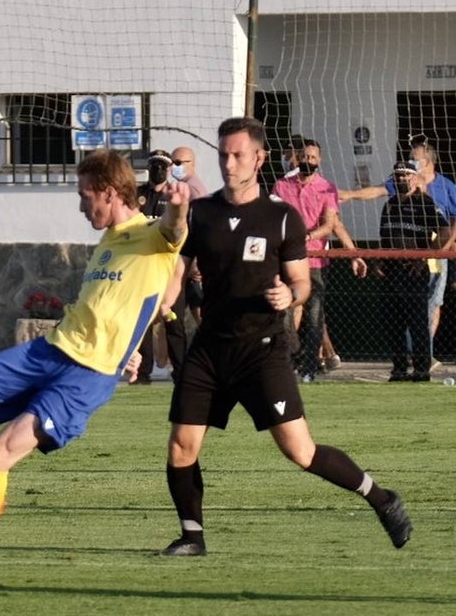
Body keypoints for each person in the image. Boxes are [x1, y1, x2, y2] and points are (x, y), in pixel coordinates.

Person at [0, 148, 188, 579]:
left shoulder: (153, 235)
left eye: (84, 196)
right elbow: (121, 301)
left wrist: (178, 203)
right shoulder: (110, 240)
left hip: (87, 376)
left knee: (3, 452)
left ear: (110, 193)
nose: (80, 206)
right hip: (51, 349)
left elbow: (175, 228)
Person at [159, 116, 413, 559]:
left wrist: (289, 295)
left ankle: (382, 497)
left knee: (300, 451)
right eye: (223, 154)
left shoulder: (281, 218)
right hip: (210, 350)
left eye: (237, 154)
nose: (228, 162)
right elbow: (179, 268)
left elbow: (302, 283)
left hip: (262, 351)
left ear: (258, 158)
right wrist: (163, 305)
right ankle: (192, 536)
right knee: (182, 446)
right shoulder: (202, 213)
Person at [341, 139, 456, 367]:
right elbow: (377, 191)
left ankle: (424, 353)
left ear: (429, 162)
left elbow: (450, 223)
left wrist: (445, 247)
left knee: (432, 303)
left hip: (434, 249)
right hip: (403, 253)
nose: (411, 162)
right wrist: (350, 195)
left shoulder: (445, 187)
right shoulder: (402, 187)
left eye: (416, 158)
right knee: (402, 307)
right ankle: (410, 355)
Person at [271, 138, 366, 382]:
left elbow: (332, 224)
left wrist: (352, 254)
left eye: (313, 157)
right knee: (284, 312)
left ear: (319, 160)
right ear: (297, 158)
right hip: (287, 261)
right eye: (304, 156)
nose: (308, 161)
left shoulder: (327, 188)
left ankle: (310, 367)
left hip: (315, 262)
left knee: (315, 316)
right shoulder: (282, 186)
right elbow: (272, 218)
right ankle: (291, 358)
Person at [376, 158, 448, 382]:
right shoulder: (389, 205)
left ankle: (421, 369)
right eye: (398, 176)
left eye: (406, 175)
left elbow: (445, 232)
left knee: (417, 322)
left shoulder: (424, 203)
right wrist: (379, 261)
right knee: (393, 322)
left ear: (415, 178)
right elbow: (384, 238)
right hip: (392, 271)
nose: (402, 179)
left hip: (414, 272)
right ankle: (398, 368)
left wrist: (424, 256)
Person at [134, 149, 187, 384]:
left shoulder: (174, 195)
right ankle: (141, 373)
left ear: (169, 169)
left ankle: (181, 371)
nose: (157, 169)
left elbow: (181, 227)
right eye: (154, 165)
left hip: (169, 267)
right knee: (142, 321)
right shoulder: (137, 195)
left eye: (162, 166)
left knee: (173, 320)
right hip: (143, 266)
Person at [170, 147, 207, 324]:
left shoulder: (193, 190)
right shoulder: (184, 186)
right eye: (172, 162)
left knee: (198, 312)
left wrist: (196, 262)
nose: (173, 167)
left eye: (178, 163)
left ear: (192, 164)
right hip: (184, 259)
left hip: (191, 262)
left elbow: (199, 228)